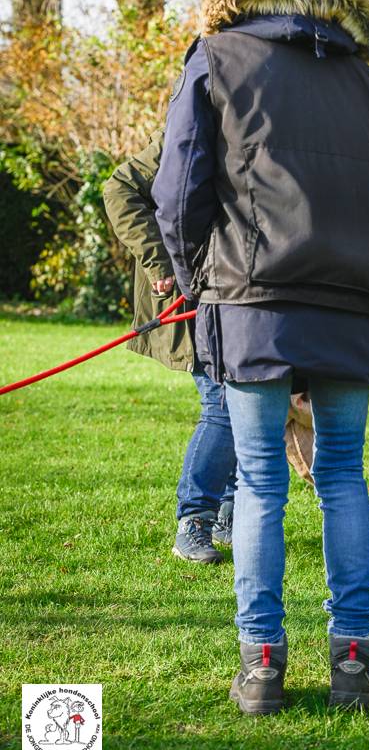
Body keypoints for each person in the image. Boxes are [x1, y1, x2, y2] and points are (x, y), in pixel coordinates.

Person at [152, 0, 369, 713]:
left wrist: (194, 279)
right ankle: (352, 665)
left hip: (252, 297)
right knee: (340, 476)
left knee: (261, 482)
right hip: (351, 294)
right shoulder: (367, 79)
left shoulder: (216, 57)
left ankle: (262, 666)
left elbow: (175, 191)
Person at [103, 136, 237, 564]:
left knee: (242, 396)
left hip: (238, 292)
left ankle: (227, 513)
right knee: (223, 403)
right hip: (191, 295)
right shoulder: (186, 136)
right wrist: (159, 262)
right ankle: (194, 520)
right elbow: (118, 189)